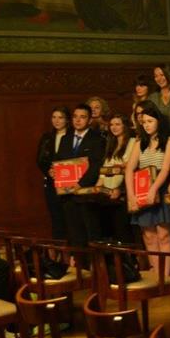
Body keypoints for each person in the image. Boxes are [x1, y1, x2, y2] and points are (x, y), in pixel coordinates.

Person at [125, 104, 170, 277]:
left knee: (164, 234)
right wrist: (131, 196)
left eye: (150, 121)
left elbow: (166, 168)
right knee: (148, 235)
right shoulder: (139, 143)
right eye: (144, 122)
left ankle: (166, 276)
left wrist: (154, 189)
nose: (147, 125)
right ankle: (156, 274)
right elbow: (129, 170)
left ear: (158, 121)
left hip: (161, 190)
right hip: (141, 191)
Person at [53, 103, 105, 247]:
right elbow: (59, 162)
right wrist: (54, 171)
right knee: (74, 235)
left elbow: (96, 165)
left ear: (89, 120)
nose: (78, 120)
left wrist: (81, 184)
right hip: (67, 194)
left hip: (86, 194)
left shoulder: (97, 139)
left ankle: (94, 261)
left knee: (91, 234)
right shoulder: (65, 138)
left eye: (82, 117)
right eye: (75, 116)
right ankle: (78, 260)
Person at [96, 113, 135, 243]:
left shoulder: (133, 142)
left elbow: (131, 167)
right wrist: (97, 188)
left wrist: (120, 188)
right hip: (107, 195)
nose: (114, 127)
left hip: (123, 194)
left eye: (118, 124)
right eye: (111, 124)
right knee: (111, 234)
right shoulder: (110, 144)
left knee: (124, 232)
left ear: (125, 126)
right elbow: (103, 171)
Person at [36, 106, 69, 241]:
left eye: (60, 117)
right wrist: (49, 171)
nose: (56, 121)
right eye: (54, 117)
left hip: (69, 182)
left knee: (69, 217)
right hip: (51, 182)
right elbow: (40, 159)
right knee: (56, 217)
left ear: (67, 120)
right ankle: (59, 249)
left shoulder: (73, 136)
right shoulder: (47, 137)